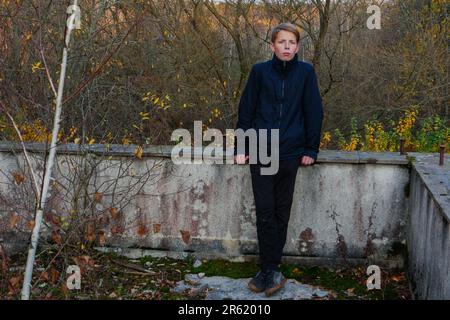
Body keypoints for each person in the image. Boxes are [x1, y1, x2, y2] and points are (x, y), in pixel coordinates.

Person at [233, 22, 324, 297]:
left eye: (292, 43)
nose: (287, 47)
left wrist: (311, 148)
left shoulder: (306, 72)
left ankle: (270, 269)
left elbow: (314, 111)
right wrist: (241, 145)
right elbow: (246, 110)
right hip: (261, 149)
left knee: (281, 211)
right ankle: (268, 268)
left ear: (297, 46)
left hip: (291, 152)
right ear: (272, 45)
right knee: (264, 211)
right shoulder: (260, 72)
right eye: (282, 42)